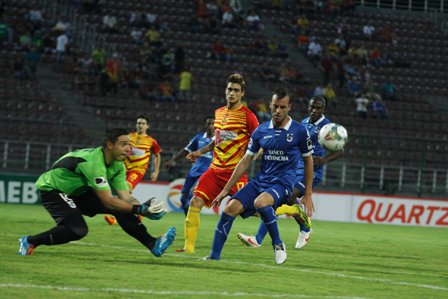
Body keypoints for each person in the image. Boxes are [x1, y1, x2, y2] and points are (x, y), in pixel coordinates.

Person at [18, 128, 176, 257]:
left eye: (129, 144)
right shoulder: (94, 163)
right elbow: (107, 201)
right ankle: (30, 241)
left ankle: (153, 244)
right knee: (77, 230)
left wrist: (144, 208)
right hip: (53, 189)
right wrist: (139, 210)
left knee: (120, 207)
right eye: (123, 144)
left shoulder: (118, 165)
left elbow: (125, 197)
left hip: (78, 192)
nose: (129, 149)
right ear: (110, 145)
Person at [202, 87, 314, 264]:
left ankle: (278, 244)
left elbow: (308, 161)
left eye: (282, 107)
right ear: (270, 105)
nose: (278, 111)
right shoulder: (261, 131)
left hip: (283, 183)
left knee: (261, 203)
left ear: (289, 107)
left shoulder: (299, 131)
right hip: (261, 181)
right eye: (275, 106)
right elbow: (245, 161)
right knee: (229, 209)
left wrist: (308, 193)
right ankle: (214, 256)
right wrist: (225, 190)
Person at [237, 96, 344, 250]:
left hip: (312, 170)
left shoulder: (328, 127)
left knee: (288, 197)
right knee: (284, 199)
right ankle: (305, 225)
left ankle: (258, 239)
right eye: (312, 107)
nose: (314, 110)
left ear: (323, 109)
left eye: (318, 108)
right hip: (295, 167)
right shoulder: (305, 122)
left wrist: (323, 160)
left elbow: (340, 151)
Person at [179, 73, 259, 253]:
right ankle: (188, 249)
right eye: (229, 89)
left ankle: (291, 209)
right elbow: (218, 140)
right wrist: (199, 152)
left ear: (242, 93)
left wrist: (254, 155)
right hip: (214, 171)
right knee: (195, 202)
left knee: (254, 209)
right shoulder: (219, 113)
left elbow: (260, 140)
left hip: (235, 172)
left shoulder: (248, 116)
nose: (232, 93)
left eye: (236, 90)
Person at [105, 116, 161, 225]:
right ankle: (138, 213)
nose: (140, 125)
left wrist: (156, 171)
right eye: (139, 123)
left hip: (138, 170)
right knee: (121, 191)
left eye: (143, 123)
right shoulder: (129, 137)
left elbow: (157, 155)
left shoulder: (151, 141)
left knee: (125, 188)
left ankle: (114, 217)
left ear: (147, 126)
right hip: (123, 167)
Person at [163, 117, 215, 215]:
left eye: (213, 123)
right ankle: (188, 217)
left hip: (206, 173)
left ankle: (191, 214)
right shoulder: (199, 137)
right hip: (193, 172)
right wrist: (172, 160)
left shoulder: (218, 141)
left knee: (193, 193)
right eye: (208, 123)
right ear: (205, 125)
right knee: (183, 198)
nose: (210, 126)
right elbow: (186, 150)